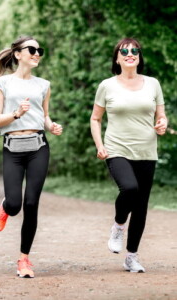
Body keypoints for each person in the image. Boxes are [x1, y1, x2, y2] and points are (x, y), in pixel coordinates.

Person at [0, 35, 63, 278]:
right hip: (12, 148)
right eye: (32, 49)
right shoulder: (3, 83)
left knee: (32, 203)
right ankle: (5, 207)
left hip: (38, 147)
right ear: (18, 54)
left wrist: (51, 125)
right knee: (15, 204)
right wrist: (15, 114)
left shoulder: (43, 84)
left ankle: (24, 259)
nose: (37, 53)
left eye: (39, 49)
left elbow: (44, 116)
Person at [90, 38, 167, 273]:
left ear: (139, 57)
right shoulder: (107, 85)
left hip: (146, 151)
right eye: (124, 51)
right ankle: (118, 225)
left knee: (141, 206)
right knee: (130, 189)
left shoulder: (153, 84)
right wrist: (100, 145)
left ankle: (131, 256)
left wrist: (162, 124)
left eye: (135, 50)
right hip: (116, 149)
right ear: (117, 58)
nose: (130, 53)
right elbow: (95, 118)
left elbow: (161, 116)